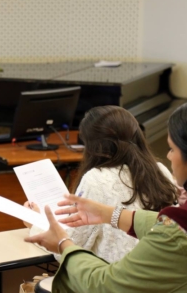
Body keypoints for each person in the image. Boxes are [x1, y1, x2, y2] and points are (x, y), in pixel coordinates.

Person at [26, 99, 187, 292]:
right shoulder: (162, 173)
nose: (169, 156)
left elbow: (106, 284)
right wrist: (112, 214)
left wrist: (54, 238)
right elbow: (170, 223)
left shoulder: (95, 178)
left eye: (172, 149)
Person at [25, 105, 178, 263]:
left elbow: (69, 246)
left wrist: (35, 223)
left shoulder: (96, 178)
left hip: (113, 280)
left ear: (93, 145)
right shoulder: (160, 170)